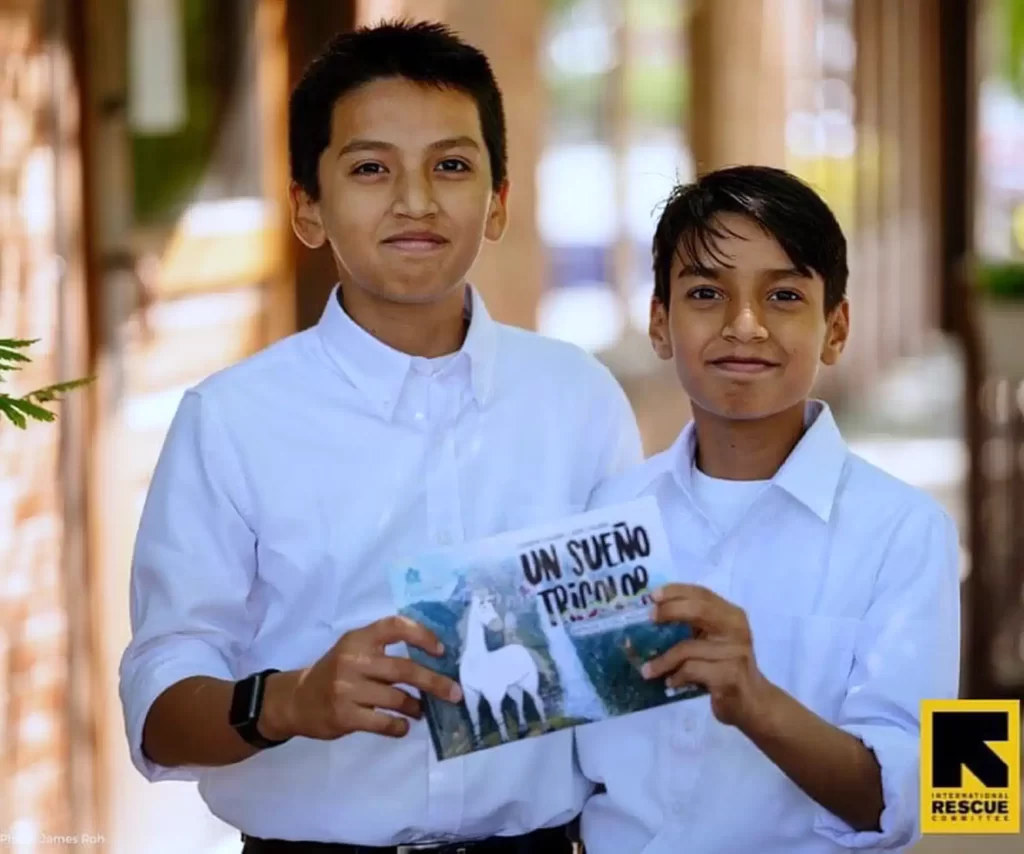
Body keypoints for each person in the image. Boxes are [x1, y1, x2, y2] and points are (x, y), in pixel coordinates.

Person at [118, 20, 642, 854]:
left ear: (499, 202)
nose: (416, 200)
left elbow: (619, 663)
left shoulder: (577, 399)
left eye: (452, 165)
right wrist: (290, 700)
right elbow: (157, 710)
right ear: (307, 209)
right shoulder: (232, 421)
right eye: (370, 168)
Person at [575, 165, 961, 854]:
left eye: (784, 295)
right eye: (704, 292)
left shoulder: (911, 530)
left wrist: (757, 701)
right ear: (660, 324)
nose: (744, 325)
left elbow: (949, 794)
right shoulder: (607, 516)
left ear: (835, 329)